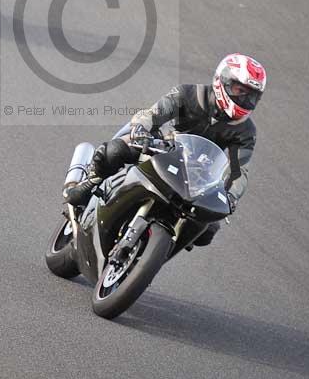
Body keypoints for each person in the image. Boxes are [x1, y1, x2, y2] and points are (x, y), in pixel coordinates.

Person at [64, 54, 267, 247]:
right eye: (240, 90)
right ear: (223, 81)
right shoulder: (189, 94)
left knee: (207, 229)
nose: (244, 99)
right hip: (162, 148)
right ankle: (90, 182)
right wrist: (142, 129)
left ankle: (158, 252)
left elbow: (239, 170)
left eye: (251, 96)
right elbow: (154, 113)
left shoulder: (246, 131)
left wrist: (231, 197)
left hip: (198, 175)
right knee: (114, 151)